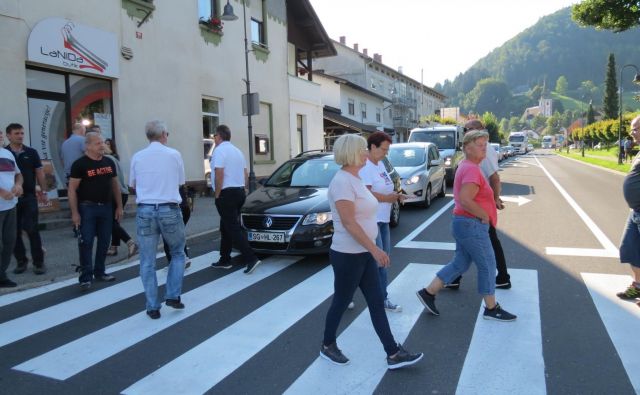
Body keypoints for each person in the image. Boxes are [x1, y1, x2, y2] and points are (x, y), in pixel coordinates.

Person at [320, 133, 423, 369]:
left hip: (363, 253)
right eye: (362, 150)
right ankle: (327, 345)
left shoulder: (356, 178)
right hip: (348, 255)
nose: (366, 153)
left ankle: (393, 353)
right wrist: (375, 249)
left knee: (376, 301)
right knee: (341, 301)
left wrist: (371, 249)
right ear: (352, 153)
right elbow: (348, 222)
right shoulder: (342, 181)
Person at [416, 129, 517, 321]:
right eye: (480, 145)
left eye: (485, 145)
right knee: (488, 264)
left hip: (464, 224)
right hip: (472, 224)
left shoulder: (468, 165)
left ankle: (428, 293)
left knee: (460, 263)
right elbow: (465, 199)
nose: (484, 149)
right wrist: (485, 216)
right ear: (467, 148)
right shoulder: (470, 168)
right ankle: (491, 307)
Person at [445, 119, 512, 290]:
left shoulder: (484, 149)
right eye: (466, 129)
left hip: (477, 207)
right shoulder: (471, 150)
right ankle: (451, 279)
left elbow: (494, 178)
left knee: (487, 250)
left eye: (472, 128)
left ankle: (502, 277)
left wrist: (494, 199)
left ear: (482, 130)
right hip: (472, 207)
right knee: (465, 247)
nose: (467, 131)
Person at [129, 120, 187, 319]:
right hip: (169, 209)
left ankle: (152, 306)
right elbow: (181, 182)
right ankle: (172, 295)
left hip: (145, 210)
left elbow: (133, 185)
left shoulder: (137, 157)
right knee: (178, 253)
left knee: (147, 261)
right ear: (163, 134)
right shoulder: (174, 155)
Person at [68, 132, 123, 291]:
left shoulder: (108, 162)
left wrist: (119, 206)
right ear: (88, 146)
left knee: (105, 241)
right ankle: (85, 276)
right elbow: (71, 190)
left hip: (106, 207)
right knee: (86, 242)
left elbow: (115, 185)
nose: (102, 146)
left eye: (102, 143)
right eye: (98, 143)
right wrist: (74, 213)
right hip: (87, 208)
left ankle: (100, 271)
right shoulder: (80, 164)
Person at [359, 131, 405, 312]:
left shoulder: (379, 164)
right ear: (372, 147)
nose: (386, 153)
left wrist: (397, 196)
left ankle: (347, 294)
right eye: (384, 149)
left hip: (383, 219)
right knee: (381, 260)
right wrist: (388, 199)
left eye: (387, 149)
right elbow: (365, 194)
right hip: (372, 221)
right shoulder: (365, 166)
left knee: (373, 261)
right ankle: (382, 299)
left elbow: (386, 187)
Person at [209, 124, 261, 274]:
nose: (214, 139)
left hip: (226, 193)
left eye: (214, 136)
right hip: (238, 192)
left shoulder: (219, 151)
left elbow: (219, 173)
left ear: (219, 136)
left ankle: (251, 258)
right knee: (226, 226)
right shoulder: (237, 151)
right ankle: (224, 259)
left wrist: (217, 194)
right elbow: (245, 173)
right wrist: (243, 189)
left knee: (232, 227)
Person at [5, 123, 48, 275]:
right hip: (10, 199)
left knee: (32, 229)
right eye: (17, 133)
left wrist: (43, 190)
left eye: (22, 133)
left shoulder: (31, 152)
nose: (20, 136)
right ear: (9, 135)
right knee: (14, 232)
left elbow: (40, 172)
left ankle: (39, 262)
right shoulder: (4, 153)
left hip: (29, 196)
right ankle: (21, 261)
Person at [617, 115, 640, 308]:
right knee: (630, 250)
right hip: (635, 211)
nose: (633, 132)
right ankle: (638, 285)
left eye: (636, 128)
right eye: (632, 129)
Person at [103, 140, 137, 258]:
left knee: (110, 222)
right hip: (121, 192)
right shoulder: (112, 158)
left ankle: (130, 242)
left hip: (116, 193)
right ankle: (114, 247)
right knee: (114, 221)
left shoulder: (106, 160)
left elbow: (112, 180)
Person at [0, 130, 23, 288]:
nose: (0, 136)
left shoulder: (7, 154)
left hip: (11, 205)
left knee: (9, 242)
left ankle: (1, 275)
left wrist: (18, 185)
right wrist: (1, 192)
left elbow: (18, 175)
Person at [163, 184, 191, 269]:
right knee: (178, 234)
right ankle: (184, 257)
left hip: (175, 208)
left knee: (167, 237)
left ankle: (174, 262)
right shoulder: (175, 173)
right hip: (185, 208)